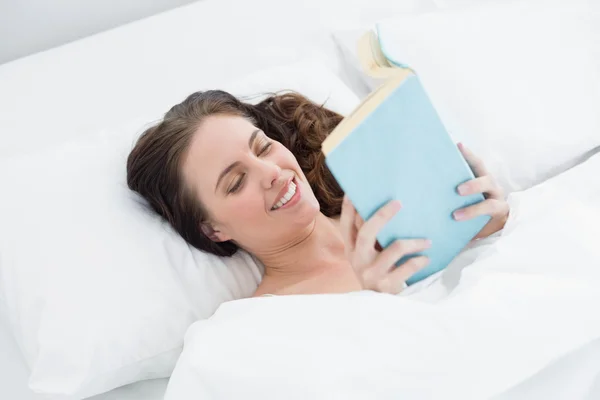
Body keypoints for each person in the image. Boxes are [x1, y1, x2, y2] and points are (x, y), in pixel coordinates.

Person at [126, 90, 509, 297]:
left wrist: (494, 227)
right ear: (212, 230)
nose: (272, 171)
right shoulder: (266, 322)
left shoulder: (405, 207)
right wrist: (381, 309)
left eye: (262, 148)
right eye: (236, 181)